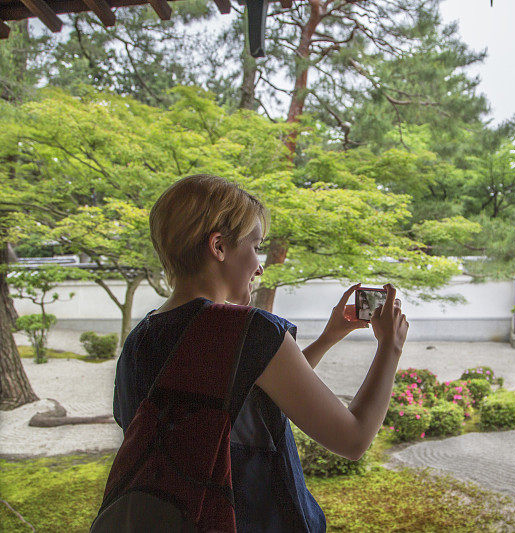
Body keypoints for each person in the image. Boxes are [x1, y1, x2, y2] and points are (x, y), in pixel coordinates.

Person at [113, 174, 409, 532]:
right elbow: (353, 439)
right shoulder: (250, 330)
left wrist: (329, 337)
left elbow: (242, 397)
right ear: (219, 246)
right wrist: (390, 347)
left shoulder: (140, 340)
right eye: (255, 246)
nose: (260, 264)